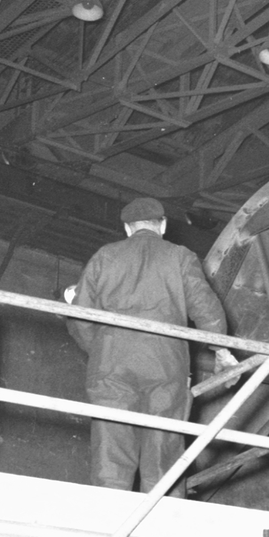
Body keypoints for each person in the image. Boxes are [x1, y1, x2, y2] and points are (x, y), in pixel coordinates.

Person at [66, 196, 236, 495]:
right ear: (163, 225)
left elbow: (80, 316)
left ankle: (109, 511)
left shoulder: (105, 256)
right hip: (165, 362)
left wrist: (102, 352)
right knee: (164, 447)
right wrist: (221, 351)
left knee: (111, 445)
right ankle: (161, 513)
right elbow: (206, 310)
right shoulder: (180, 256)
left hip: (112, 361)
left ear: (127, 228)